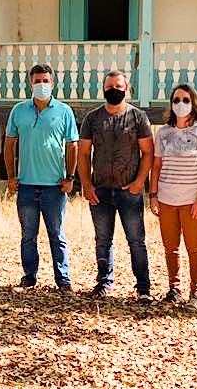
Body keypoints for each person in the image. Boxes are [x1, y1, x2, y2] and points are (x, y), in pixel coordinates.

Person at [78, 69, 154, 302]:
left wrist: (139, 183)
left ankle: (143, 288)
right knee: (102, 240)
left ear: (127, 89)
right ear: (103, 89)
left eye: (118, 87)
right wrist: (86, 185)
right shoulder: (92, 118)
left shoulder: (138, 117)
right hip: (100, 190)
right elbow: (83, 153)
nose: (114, 90)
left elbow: (148, 152)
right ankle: (104, 283)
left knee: (136, 240)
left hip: (128, 190)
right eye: (110, 87)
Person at [4, 63, 79, 292]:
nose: (41, 85)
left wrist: (70, 177)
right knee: (28, 235)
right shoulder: (18, 110)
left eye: (45, 81)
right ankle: (29, 277)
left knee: (57, 235)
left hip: (54, 187)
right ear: (30, 83)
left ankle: (63, 279)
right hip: (26, 185)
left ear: (53, 84)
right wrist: (11, 176)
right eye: (37, 81)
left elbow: (72, 145)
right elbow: (9, 144)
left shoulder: (64, 111)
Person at [149, 84, 197, 308]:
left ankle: (195, 293)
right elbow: (156, 166)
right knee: (171, 247)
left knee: (194, 248)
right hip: (167, 199)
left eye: (186, 100)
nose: (181, 104)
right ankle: (174, 288)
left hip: (192, 201)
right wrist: (153, 194)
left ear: (194, 103)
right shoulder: (164, 133)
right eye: (176, 100)